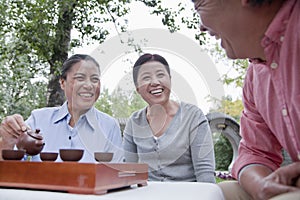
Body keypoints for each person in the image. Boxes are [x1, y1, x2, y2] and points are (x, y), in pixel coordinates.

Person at [192, 0, 300, 199]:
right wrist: (261, 185)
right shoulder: (255, 77)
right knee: (216, 194)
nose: (201, 27)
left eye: (199, 3)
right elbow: (256, 151)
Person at [0, 54, 124, 163]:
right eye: (80, 78)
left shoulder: (110, 126)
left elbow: (116, 174)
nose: (89, 85)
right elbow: (9, 166)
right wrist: (7, 142)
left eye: (95, 79)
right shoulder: (38, 119)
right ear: (62, 83)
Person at [122, 53, 215, 183]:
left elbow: (205, 171)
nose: (154, 82)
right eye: (146, 77)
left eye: (160, 75)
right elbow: (127, 169)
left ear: (170, 79)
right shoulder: (134, 121)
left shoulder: (193, 116)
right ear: (137, 88)